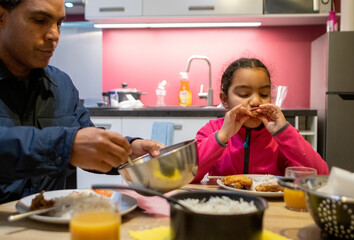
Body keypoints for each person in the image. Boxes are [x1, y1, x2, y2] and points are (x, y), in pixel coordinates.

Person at [0, 0, 165, 203]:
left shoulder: (61, 84)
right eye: (40, 20)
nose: (54, 35)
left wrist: (130, 150)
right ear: (2, 18)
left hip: (51, 225)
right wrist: (66, 147)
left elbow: (88, 144)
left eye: (59, 24)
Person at [192, 58, 329, 183]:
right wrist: (222, 137)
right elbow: (188, 175)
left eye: (264, 94)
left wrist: (284, 133)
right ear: (225, 100)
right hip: (224, 206)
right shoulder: (212, 130)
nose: (256, 101)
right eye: (244, 94)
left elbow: (320, 176)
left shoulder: (282, 138)